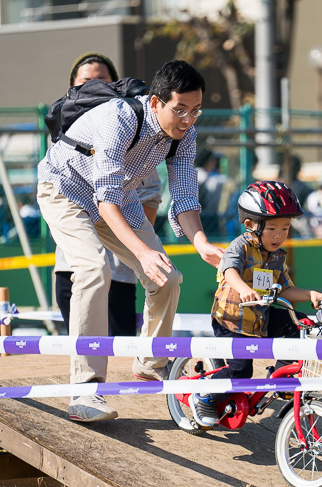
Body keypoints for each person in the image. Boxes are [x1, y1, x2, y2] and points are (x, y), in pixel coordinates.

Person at [37, 59, 224, 422]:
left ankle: (151, 364)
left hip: (118, 197)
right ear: (155, 102)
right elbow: (103, 198)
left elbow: (185, 196)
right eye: (180, 110)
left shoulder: (185, 136)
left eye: (196, 111)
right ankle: (85, 392)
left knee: (168, 277)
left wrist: (201, 243)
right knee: (93, 269)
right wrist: (141, 252)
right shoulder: (118, 118)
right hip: (64, 189)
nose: (188, 120)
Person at [189, 181, 322, 428]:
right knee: (241, 371)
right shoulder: (240, 246)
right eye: (273, 228)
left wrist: (311, 294)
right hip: (232, 321)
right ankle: (204, 394)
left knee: (297, 324)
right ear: (251, 225)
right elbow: (229, 269)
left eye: (285, 228)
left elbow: (286, 289)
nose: (279, 235)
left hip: (260, 318)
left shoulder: (276, 256)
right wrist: (243, 289)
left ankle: (282, 378)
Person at [53, 51, 164, 337]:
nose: (93, 86)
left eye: (101, 80)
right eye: (85, 81)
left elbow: (150, 193)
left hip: (119, 269)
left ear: (116, 86)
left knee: (118, 348)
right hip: (72, 265)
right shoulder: (63, 129)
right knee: (81, 342)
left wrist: (132, 244)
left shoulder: (134, 130)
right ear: (72, 86)